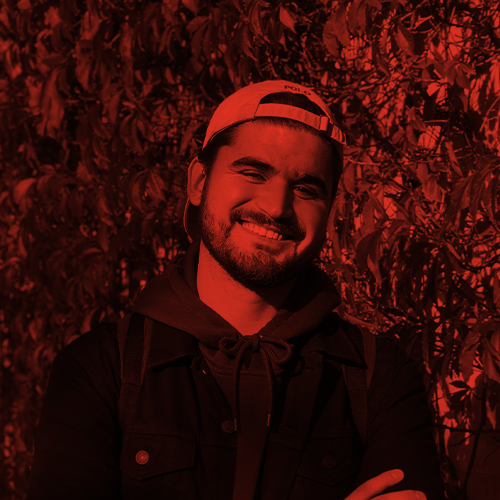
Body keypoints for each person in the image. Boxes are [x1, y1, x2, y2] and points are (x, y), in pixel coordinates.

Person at [27, 80, 445, 500]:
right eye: (253, 172)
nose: (276, 207)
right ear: (198, 181)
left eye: (306, 189)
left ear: (329, 210)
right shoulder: (101, 369)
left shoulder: (379, 378)